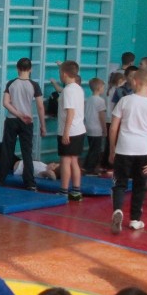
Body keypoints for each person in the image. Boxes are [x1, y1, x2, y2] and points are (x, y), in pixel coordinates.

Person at [108, 68, 147, 233]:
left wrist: (112, 149)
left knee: (119, 183)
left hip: (124, 148)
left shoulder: (125, 101)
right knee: (140, 185)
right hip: (144, 150)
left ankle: (118, 209)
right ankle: (135, 219)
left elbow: (113, 128)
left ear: (134, 81)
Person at [0, 58, 46, 191]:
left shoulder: (11, 83)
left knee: (7, 150)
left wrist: (18, 114)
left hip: (12, 120)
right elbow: (40, 107)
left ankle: (0, 179)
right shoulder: (34, 85)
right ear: (31, 69)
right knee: (27, 152)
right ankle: (30, 183)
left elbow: (5, 103)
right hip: (27, 121)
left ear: (17, 68)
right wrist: (43, 125)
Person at [56, 61, 86, 200]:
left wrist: (66, 132)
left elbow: (70, 112)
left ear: (63, 74)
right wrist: (61, 65)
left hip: (70, 131)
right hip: (79, 130)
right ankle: (76, 191)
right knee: (74, 160)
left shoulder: (68, 90)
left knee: (66, 161)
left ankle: (63, 191)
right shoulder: (78, 88)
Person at [83, 77, 107, 175]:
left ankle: (88, 167)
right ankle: (89, 168)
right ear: (99, 88)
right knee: (95, 150)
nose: (103, 89)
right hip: (96, 128)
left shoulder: (88, 99)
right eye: (103, 87)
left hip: (88, 127)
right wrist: (105, 129)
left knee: (92, 148)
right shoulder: (100, 101)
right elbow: (102, 116)